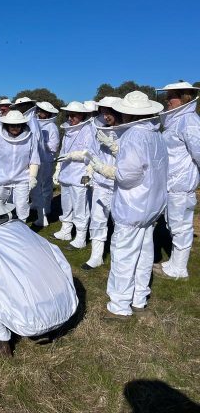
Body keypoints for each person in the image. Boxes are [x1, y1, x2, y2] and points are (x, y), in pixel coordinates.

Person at [0, 195, 79, 356]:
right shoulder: (24, 229)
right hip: (67, 308)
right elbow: (60, 261)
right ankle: (50, 329)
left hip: (31, 321)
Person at [85, 91, 168, 319]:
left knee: (124, 255)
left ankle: (120, 305)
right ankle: (139, 299)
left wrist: (102, 167)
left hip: (133, 206)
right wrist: (115, 148)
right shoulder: (156, 135)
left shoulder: (133, 135)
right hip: (151, 207)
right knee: (144, 253)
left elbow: (127, 176)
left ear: (127, 114)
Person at [153, 81, 200, 279]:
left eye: (171, 96)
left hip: (181, 184)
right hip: (172, 183)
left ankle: (179, 269)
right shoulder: (177, 120)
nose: (167, 100)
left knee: (181, 226)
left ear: (184, 97)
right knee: (174, 224)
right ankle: (174, 263)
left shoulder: (189, 121)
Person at [82, 97, 122, 270]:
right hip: (100, 183)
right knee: (98, 220)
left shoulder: (127, 131)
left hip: (121, 185)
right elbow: (92, 154)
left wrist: (113, 146)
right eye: (103, 112)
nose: (105, 116)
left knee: (121, 222)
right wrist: (89, 172)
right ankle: (96, 256)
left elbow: (133, 158)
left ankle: (120, 257)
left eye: (109, 112)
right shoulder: (99, 130)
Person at [0, 110, 40, 222]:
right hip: (0, 177)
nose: (15, 127)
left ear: (22, 125)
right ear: (6, 124)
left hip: (22, 178)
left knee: (22, 206)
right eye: (12, 125)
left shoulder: (30, 137)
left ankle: (22, 229)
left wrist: (33, 176)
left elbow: (34, 158)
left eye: (18, 125)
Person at [53, 101, 95, 247]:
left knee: (80, 207)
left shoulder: (89, 131)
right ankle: (66, 230)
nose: (70, 118)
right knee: (66, 205)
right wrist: (58, 170)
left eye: (73, 115)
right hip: (66, 175)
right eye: (69, 115)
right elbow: (62, 152)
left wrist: (72, 155)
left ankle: (81, 237)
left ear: (82, 115)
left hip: (80, 175)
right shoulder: (67, 131)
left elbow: (90, 154)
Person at [30, 101, 60, 227]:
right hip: (37, 159)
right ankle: (37, 205)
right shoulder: (37, 124)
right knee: (36, 184)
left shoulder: (52, 127)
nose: (39, 113)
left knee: (46, 185)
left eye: (42, 111)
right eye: (39, 110)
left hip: (47, 160)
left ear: (47, 113)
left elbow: (54, 146)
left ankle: (46, 209)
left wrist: (41, 143)